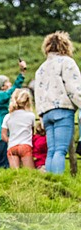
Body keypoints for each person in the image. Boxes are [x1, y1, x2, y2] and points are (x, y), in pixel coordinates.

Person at [35, 31, 81, 175]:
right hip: (63, 109)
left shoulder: (41, 68)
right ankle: (58, 182)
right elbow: (74, 88)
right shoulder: (67, 62)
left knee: (52, 150)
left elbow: (38, 93)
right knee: (60, 150)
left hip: (46, 113)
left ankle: (50, 183)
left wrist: (40, 114)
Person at [0, 60, 27, 169]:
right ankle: (4, 180)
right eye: (7, 82)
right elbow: (14, 90)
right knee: (5, 162)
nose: (10, 84)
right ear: (2, 86)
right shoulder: (0, 95)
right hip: (2, 133)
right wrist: (22, 74)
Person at [1, 88, 36, 169]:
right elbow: (32, 132)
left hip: (12, 146)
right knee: (29, 173)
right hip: (25, 146)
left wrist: (10, 140)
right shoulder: (31, 116)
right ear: (27, 101)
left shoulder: (8, 116)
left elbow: (3, 135)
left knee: (15, 173)